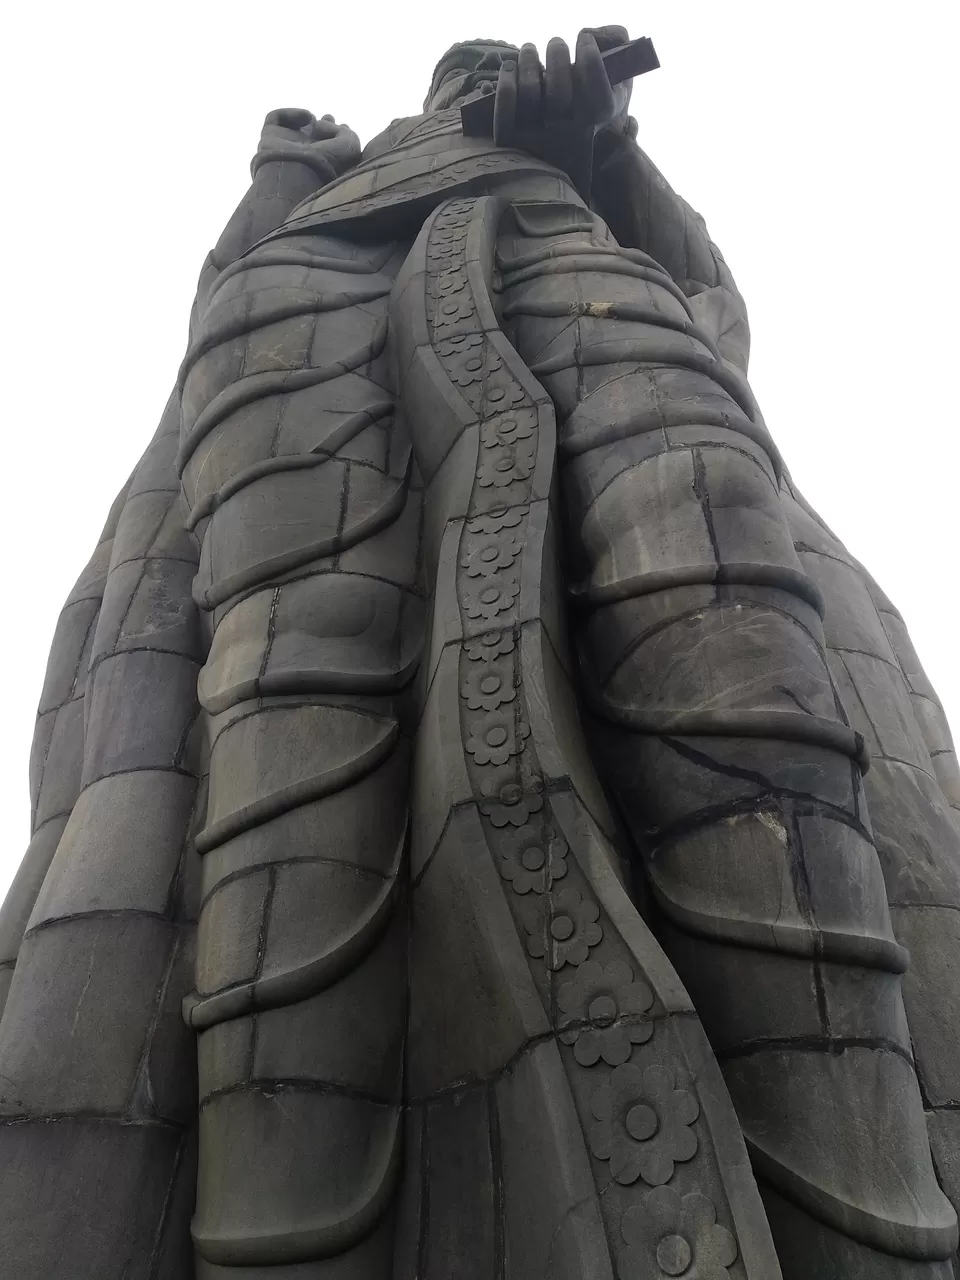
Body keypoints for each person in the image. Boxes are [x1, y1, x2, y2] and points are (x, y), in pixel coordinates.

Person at [1, 28, 958, 1279]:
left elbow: (698, 283)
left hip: (584, 293)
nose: (472, 79)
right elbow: (222, 289)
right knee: (288, 736)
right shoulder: (338, 175)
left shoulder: (572, 166)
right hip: (290, 345)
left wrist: (600, 145)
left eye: (486, 67)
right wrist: (282, 176)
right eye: (461, 70)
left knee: (739, 660)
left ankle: (874, 1219)